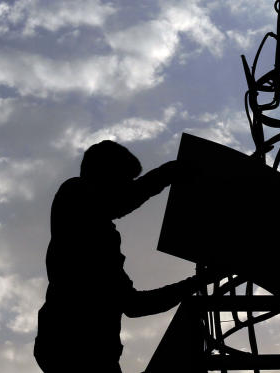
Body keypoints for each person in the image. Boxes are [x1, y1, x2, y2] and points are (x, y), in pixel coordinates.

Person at [34, 140, 203, 373]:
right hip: (71, 348)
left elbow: (133, 305)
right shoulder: (73, 193)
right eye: (123, 181)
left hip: (90, 353)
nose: (127, 187)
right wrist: (168, 173)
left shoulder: (101, 241)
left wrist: (194, 284)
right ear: (103, 175)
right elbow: (119, 202)